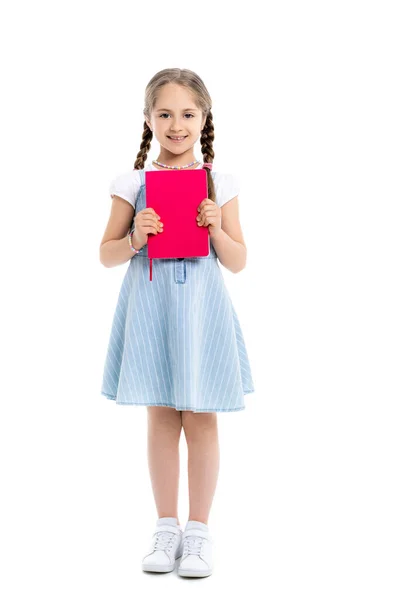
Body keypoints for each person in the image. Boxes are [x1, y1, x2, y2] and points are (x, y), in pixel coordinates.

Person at [99, 68, 255, 578]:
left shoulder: (219, 182)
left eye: (187, 114)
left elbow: (237, 260)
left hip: (203, 312)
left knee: (202, 416)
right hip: (152, 309)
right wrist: (136, 239)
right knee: (162, 417)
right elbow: (106, 254)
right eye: (163, 113)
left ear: (204, 118)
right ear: (147, 119)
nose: (176, 124)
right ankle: (166, 526)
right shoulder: (133, 183)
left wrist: (214, 226)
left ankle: (200, 531)